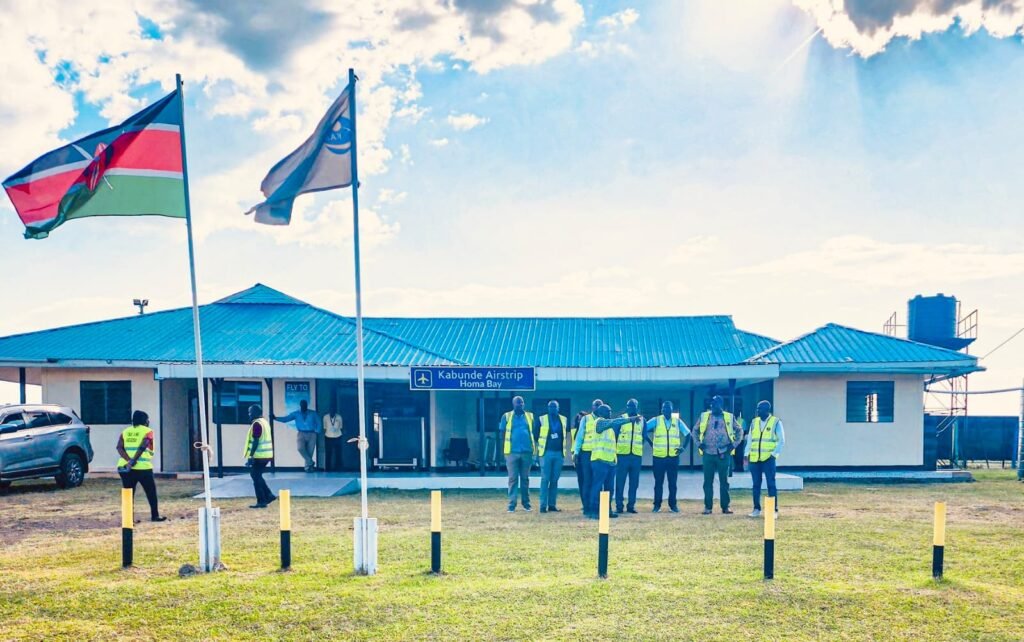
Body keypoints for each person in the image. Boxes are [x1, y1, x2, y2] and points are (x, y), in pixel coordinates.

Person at [586, 404, 637, 520]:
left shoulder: (609, 428)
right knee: (597, 487)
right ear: (601, 413)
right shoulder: (599, 422)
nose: (610, 413)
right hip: (599, 461)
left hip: (610, 462)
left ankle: (606, 511)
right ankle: (594, 511)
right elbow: (614, 422)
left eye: (610, 411)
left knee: (609, 489)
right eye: (608, 411)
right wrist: (629, 420)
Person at [116, 410, 166, 522]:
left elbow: (119, 447)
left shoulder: (125, 431)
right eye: (148, 419)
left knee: (128, 494)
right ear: (145, 421)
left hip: (125, 468)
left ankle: (128, 519)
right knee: (151, 492)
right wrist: (133, 460)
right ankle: (155, 515)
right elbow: (143, 446)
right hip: (143, 467)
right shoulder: (148, 431)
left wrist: (128, 460)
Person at [696, 395, 742, 515]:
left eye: (715, 403)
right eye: (712, 403)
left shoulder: (729, 417)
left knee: (724, 481)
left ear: (721, 404)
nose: (712, 405)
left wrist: (734, 445)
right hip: (708, 453)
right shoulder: (704, 416)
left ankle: (725, 506)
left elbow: (739, 430)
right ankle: (708, 507)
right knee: (707, 482)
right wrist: (698, 443)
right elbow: (695, 430)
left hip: (723, 453)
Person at [644, 400, 690, 513]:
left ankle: (673, 505)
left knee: (672, 483)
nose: (665, 410)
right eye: (664, 408)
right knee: (658, 483)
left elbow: (688, 433)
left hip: (673, 457)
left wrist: (683, 447)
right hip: (659, 457)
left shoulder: (677, 421)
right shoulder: (656, 420)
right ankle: (657, 505)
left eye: (668, 408)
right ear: (662, 410)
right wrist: (650, 442)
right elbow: (643, 429)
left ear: (672, 410)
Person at [745, 400, 785, 518]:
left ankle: (773, 510)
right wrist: (746, 453)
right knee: (756, 485)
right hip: (755, 459)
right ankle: (756, 509)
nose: (757, 411)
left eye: (760, 409)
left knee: (771, 484)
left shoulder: (776, 422)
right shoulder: (754, 422)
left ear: (767, 410)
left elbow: (781, 440)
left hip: (768, 458)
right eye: (757, 409)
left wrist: (774, 454)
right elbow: (750, 439)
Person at [500, 396, 535, 512]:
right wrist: (505, 450)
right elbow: (502, 433)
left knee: (525, 479)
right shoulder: (506, 416)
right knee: (513, 479)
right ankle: (512, 504)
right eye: (517, 403)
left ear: (524, 404)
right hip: (511, 453)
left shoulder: (530, 416)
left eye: (521, 403)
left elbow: (534, 432)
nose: (520, 405)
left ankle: (526, 504)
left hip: (527, 452)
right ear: (513, 404)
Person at [535, 400, 567, 513]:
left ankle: (552, 505)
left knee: (554, 479)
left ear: (558, 408)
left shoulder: (563, 419)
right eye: (550, 407)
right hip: (546, 453)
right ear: (548, 408)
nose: (552, 408)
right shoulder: (541, 419)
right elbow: (536, 435)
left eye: (554, 407)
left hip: (559, 453)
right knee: (545, 479)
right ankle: (543, 506)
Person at [572, 399, 603, 513]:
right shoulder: (586, 419)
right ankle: (586, 507)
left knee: (597, 481)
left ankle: (596, 506)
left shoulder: (604, 420)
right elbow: (580, 436)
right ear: (592, 407)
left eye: (600, 405)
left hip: (599, 454)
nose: (598, 407)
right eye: (596, 405)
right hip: (586, 454)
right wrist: (576, 452)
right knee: (587, 480)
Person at [614, 399, 644, 515]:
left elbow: (643, 436)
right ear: (626, 407)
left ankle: (631, 506)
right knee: (620, 482)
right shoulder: (621, 419)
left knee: (634, 483)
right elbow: (615, 435)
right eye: (629, 406)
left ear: (637, 407)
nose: (631, 408)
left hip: (636, 456)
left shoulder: (642, 420)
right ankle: (619, 506)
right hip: (622, 456)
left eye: (633, 406)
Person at [272, 399, 320, 472]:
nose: (303, 406)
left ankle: (308, 468)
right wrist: (275, 418)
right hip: (301, 433)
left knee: (310, 452)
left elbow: (319, 422)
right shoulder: (296, 413)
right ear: (300, 405)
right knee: (300, 448)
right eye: (302, 405)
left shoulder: (313, 413)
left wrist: (317, 431)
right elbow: (286, 419)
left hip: (312, 433)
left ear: (307, 405)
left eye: (305, 405)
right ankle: (310, 462)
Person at [244, 404, 276, 509]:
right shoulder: (264, 422)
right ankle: (269, 495)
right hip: (266, 455)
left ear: (256, 413)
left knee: (255, 476)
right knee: (256, 475)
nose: (249, 414)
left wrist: (251, 456)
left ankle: (262, 501)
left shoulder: (257, 424)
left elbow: (256, 441)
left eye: (250, 412)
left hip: (260, 455)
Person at [323, 404, 343, 472]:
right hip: (328, 437)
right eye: (331, 410)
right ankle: (328, 468)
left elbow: (341, 427)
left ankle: (338, 468)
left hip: (338, 436)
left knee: (338, 453)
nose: (332, 411)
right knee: (328, 453)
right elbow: (324, 428)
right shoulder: (325, 417)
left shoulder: (339, 417)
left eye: (333, 410)